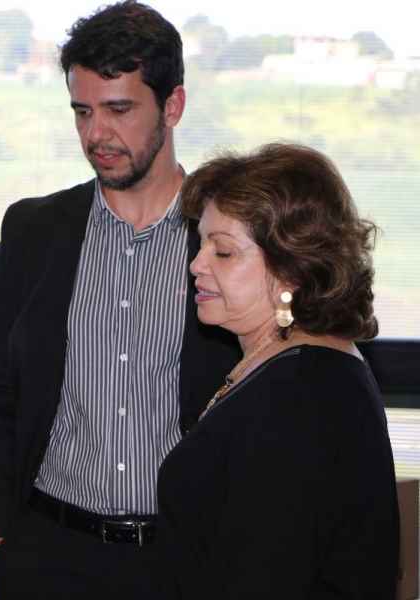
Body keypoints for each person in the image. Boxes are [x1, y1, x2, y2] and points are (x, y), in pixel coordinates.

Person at [0, 2, 239, 598]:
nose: (96, 134)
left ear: (173, 106)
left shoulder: (225, 241)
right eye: (82, 111)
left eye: (119, 110)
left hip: (184, 562)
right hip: (46, 553)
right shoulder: (34, 229)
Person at [156, 143, 400, 598]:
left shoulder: (299, 396)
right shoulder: (290, 365)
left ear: (292, 269)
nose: (196, 264)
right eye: (200, 243)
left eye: (223, 252)